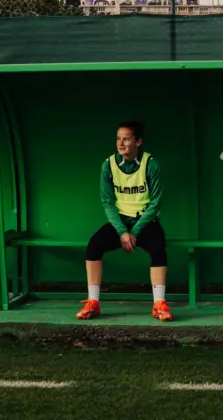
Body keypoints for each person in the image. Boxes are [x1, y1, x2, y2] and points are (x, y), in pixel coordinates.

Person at [75, 119, 172, 321]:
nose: (121, 143)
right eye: (118, 139)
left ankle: (159, 304)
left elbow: (156, 202)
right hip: (120, 223)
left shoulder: (151, 164)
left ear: (138, 142)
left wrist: (133, 233)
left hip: (144, 222)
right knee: (93, 246)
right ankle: (93, 302)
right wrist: (122, 232)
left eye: (126, 139)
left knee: (158, 249)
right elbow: (107, 202)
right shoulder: (108, 165)